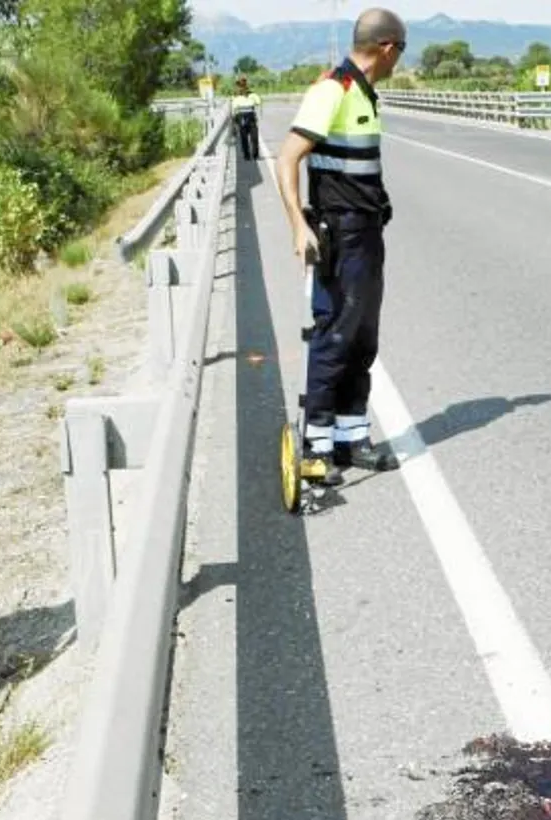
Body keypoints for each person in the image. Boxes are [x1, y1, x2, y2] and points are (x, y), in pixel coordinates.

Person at [275, 8, 406, 478]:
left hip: (369, 233)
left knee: (362, 338)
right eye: (401, 52)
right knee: (334, 335)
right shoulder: (334, 89)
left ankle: (352, 439)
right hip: (341, 233)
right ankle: (315, 445)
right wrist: (297, 224)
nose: (399, 63)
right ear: (387, 48)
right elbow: (287, 158)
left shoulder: (365, 94)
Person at [231, 76, 262, 162]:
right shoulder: (236, 97)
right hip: (241, 117)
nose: (243, 87)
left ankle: (255, 154)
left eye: (244, 85)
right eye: (241, 85)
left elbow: (258, 102)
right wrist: (233, 123)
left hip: (251, 116)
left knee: (254, 137)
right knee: (244, 138)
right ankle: (246, 155)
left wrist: (252, 95)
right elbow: (233, 110)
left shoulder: (252, 95)